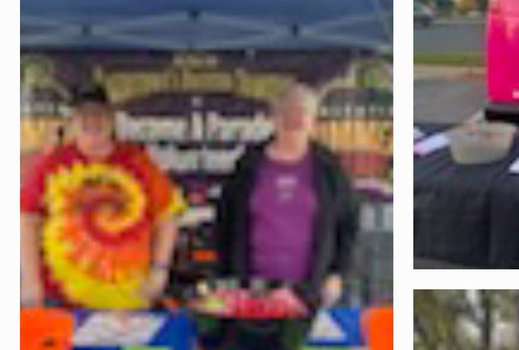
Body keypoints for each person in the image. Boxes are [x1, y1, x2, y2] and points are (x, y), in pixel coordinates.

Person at [20, 83, 181, 309]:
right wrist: (30, 283)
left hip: (128, 304)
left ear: (112, 118)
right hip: (61, 302)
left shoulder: (139, 162)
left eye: (99, 113)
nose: (92, 119)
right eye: (84, 113)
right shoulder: (51, 164)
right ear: (73, 121)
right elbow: (27, 221)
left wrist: (159, 272)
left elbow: (167, 217)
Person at [214, 82, 358, 311]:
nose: (294, 118)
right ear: (274, 117)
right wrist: (227, 280)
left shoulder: (329, 168)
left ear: (313, 122)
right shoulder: (248, 164)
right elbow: (224, 223)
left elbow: (348, 225)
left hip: (311, 290)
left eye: (302, 112)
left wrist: (337, 274)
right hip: (251, 290)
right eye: (287, 111)